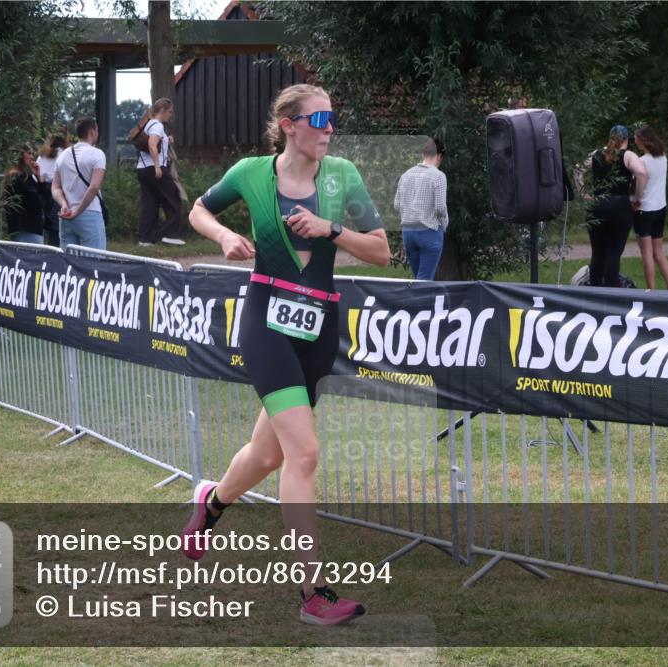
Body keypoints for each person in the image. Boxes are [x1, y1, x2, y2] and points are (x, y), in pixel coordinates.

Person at [184, 83, 390, 626]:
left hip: (318, 326)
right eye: (319, 117)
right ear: (290, 124)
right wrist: (225, 237)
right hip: (266, 320)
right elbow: (198, 210)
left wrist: (334, 229)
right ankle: (313, 594)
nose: (328, 128)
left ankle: (211, 503)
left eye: (332, 118)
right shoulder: (252, 173)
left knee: (268, 455)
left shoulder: (342, 175)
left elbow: (383, 251)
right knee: (303, 454)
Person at [575, 125, 647, 287]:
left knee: (598, 253)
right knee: (614, 253)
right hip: (620, 206)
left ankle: (594, 290)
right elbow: (641, 173)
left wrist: (583, 193)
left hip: (597, 205)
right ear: (626, 140)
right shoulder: (627, 155)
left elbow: (578, 169)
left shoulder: (597, 154)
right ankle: (611, 290)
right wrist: (637, 197)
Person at [132, 98, 186, 247]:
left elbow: (155, 141)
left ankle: (145, 239)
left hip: (142, 169)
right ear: (162, 111)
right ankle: (169, 233)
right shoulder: (157, 125)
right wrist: (157, 167)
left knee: (150, 203)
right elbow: (152, 144)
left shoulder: (149, 124)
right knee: (173, 196)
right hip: (153, 168)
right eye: (169, 112)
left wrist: (167, 140)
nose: (171, 115)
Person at [394, 137, 448, 280]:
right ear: (440, 156)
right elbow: (440, 208)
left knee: (418, 278)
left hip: (408, 233)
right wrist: (444, 224)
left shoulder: (406, 175)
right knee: (424, 281)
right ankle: (420, 303)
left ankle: (414, 303)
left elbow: (396, 205)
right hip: (429, 232)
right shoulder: (438, 176)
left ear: (424, 154)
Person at [52, 117, 107, 251]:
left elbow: (55, 187)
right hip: (89, 213)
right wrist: (79, 210)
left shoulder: (63, 156)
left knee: (69, 266)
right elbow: (94, 187)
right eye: (97, 130)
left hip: (66, 216)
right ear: (92, 131)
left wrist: (64, 204)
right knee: (93, 264)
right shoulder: (97, 154)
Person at [633, 125, 668, 290]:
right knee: (659, 253)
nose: (634, 141)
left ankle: (651, 291)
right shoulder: (663, 157)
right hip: (660, 208)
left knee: (647, 254)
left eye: (636, 138)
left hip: (644, 210)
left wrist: (634, 200)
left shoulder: (641, 161)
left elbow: (638, 186)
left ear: (642, 141)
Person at [2, 144, 45, 244]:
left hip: (18, 228)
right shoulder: (21, 178)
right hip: (29, 228)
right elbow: (38, 203)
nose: (32, 157)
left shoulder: (16, 176)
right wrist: (40, 182)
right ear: (21, 155)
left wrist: (38, 177)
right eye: (29, 153)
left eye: (32, 154)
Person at [36, 133, 69, 248]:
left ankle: (49, 247)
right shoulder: (64, 153)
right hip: (58, 190)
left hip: (44, 189)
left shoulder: (42, 155)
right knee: (57, 224)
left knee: (47, 223)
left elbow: (38, 173)